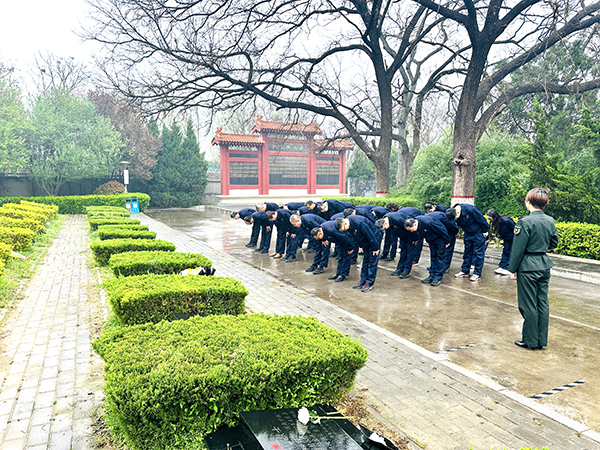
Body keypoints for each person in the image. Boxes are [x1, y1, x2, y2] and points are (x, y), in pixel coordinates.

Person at [509, 188, 558, 351]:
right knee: (542, 303)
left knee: (528, 304)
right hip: (544, 264)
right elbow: (554, 243)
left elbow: (518, 249)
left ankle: (530, 341)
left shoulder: (524, 222)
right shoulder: (550, 220)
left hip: (528, 266)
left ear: (528, 202)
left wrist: (512, 269)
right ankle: (540, 340)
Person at [335, 215, 382, 292]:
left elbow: (370, 235)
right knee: (366, 260)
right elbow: (355, 237)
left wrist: (375, 248)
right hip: (365, 241)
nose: (344, 231)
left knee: (372, 262)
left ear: (345, 224)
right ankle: (363, 280)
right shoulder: (348, 225)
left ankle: (369, 283)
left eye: (343, 229)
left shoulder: (360, 223)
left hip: (374, 240)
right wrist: (361, 246)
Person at [446, 203, 489, 281]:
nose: (456, 220)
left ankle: (477, 274)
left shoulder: (470, 209)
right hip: (468, 233)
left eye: (456, 218)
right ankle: (465, 271)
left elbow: (481, 219)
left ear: (458, 213)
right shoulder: (452, 211)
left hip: (478, 233)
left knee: (479, 253)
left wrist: (485, 230)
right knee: (467, 253)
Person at [404, 215, 450, 286]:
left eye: (411, 229)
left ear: (415, 224)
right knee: (433, 256)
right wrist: (428, 240)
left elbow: (442, 230)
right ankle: (431, 275)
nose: (411, 231)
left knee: (440, 257)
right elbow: (423, 233)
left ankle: (437, 277)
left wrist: (447, 241)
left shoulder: (428, 222)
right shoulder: (417, 224)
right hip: (431, 240)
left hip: (440, 239)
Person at [486, 209, 516, 276]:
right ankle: (502, 266)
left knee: (511, 253)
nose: (489, 220)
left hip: (513, 238)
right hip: (506, 238)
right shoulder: (495, 222)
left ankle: (508, 268)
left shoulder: (506, 220)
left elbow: (515, 227)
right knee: (505, 251)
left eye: (490, 218)